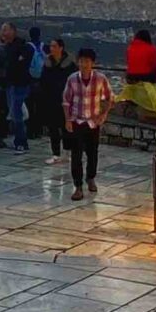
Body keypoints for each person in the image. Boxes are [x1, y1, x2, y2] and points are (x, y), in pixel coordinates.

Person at [64, 46, 115, 199]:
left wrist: (103, 114)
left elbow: (109, 98)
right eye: (81, 61)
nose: (84, 64)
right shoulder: (72, 79)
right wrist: (67, 119)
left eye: (86, 61)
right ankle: (78, 186)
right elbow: (66, 101)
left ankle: (90, 177)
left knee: (92, 153)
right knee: (76, 154)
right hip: (77, 120)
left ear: (92, 63)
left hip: (93, 122)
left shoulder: (100, 79)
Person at [0, 22, 32, 151]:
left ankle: (21, 142)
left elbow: (16, 64)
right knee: (15, 113)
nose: (3, 32)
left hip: (18, 84)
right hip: (11, 84)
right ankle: (20, 140)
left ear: (13, 31)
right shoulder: (9, 47)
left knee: (16, 113)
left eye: (5, 30)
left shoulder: (19, 47)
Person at [32, 37, 72, 160]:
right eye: (51, 46)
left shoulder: (69, 63)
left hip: (65, 99)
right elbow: (43, 80)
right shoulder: (47, 62)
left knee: (66, 126)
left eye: (54, 46)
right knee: (52, 127)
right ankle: (56, 153)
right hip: (50, 99)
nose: (52, 49)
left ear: (61, 48)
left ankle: (67, 151)